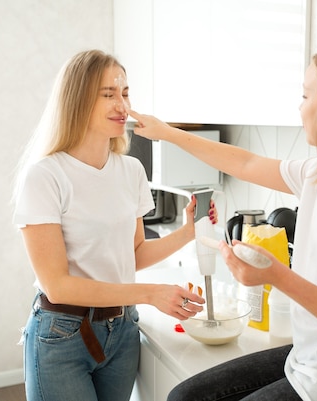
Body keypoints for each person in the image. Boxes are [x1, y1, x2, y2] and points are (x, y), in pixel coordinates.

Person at [129, 41, 317, 400]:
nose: (300, 107)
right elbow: (245, 164)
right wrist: (167, 132)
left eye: (307, 96)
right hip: (309, 362)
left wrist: (276, 275)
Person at [13, 49, 209, 401]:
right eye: (108, 94)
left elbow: (132, 254)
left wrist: (187, 233)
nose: (122, 105)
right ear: (77, 100)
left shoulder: (131, 170)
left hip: (122, 332)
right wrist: (150, 293)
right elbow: (57, 286)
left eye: (125, 93)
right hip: (62, 334)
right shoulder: (46, 176)